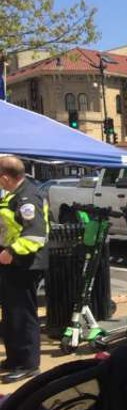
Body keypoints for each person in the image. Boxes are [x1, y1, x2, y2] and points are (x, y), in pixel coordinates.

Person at [0, 156, 49, 383]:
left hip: (25, 263)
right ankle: (15, 358)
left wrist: (11, 251)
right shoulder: (15, 195)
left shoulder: (28, 197)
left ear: (6, 178)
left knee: (23, 313)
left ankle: (28, 364)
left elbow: (35, 234)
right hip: (12, 263)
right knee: (11, 313)